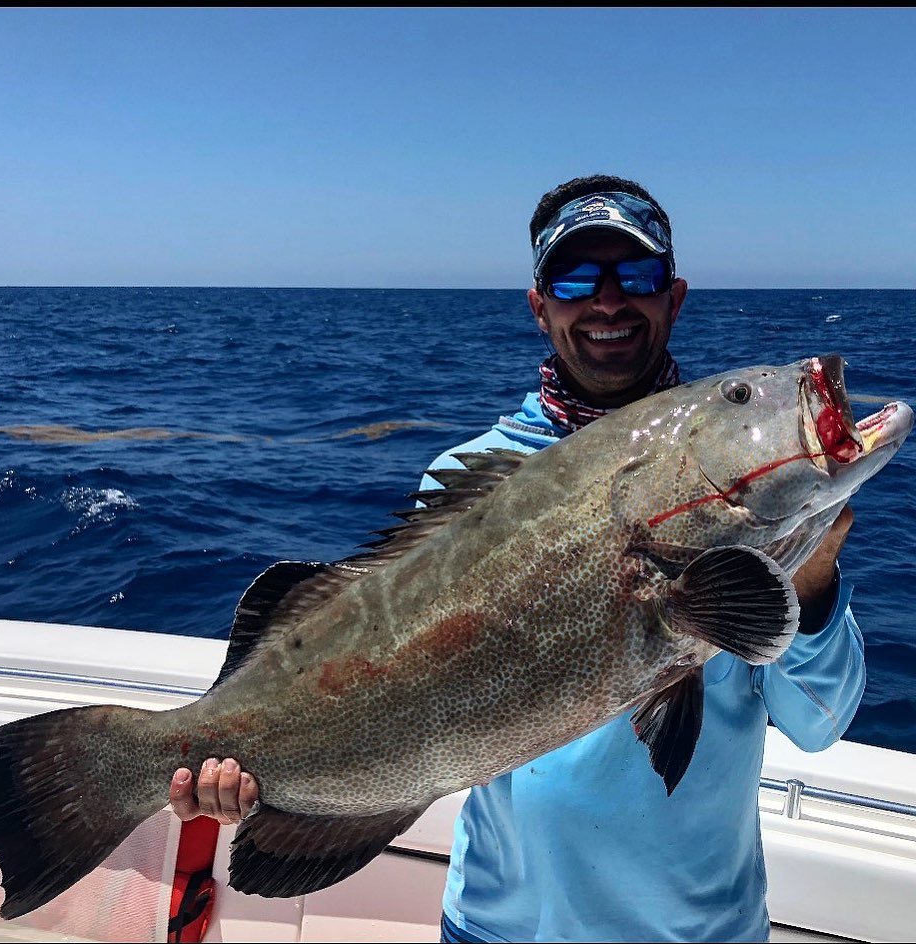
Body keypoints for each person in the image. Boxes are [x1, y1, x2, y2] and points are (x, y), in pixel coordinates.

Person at [170, 175, 865, 943]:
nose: (607, 302)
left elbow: (821, 724)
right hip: (499, 929)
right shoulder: (467, 475)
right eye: (575, 279)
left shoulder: (764, 505)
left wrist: (814, 587)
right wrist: (242, 763)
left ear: (675, 297)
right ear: (539, 306)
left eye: (635, 275)